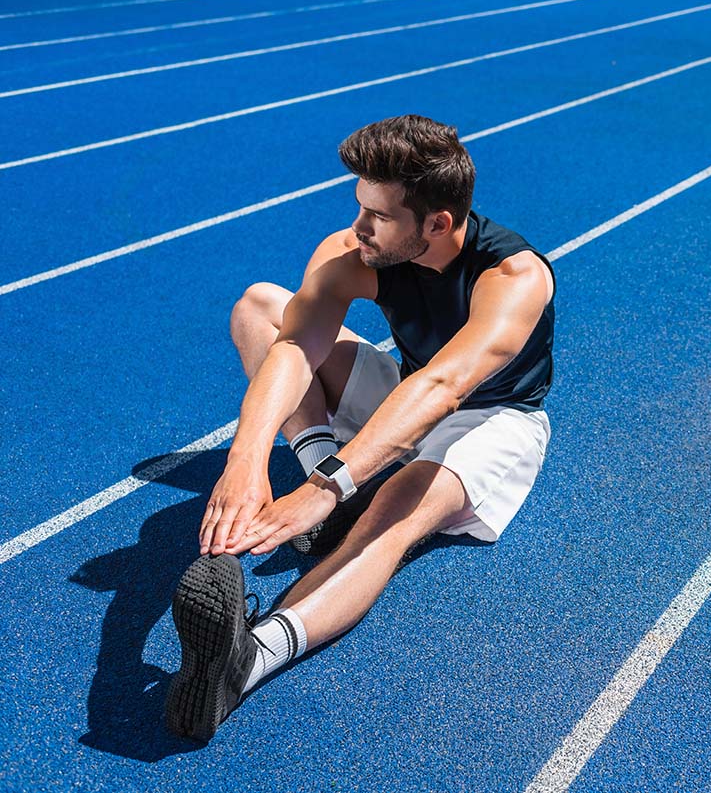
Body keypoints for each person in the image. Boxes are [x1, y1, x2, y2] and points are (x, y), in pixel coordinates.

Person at [164, 115, 555, 742]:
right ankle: (325, 495)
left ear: (438, 223)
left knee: (391, 515)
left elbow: (442, 389)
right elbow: (296, 350)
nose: (358, 227)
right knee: (263, 306)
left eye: (379, 215)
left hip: (493, 419)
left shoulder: (512, 277)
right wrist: (247, 458)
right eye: (358, 205)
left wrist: (323, 489)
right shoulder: (355, 252)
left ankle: (246, 661)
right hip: (405, 384)